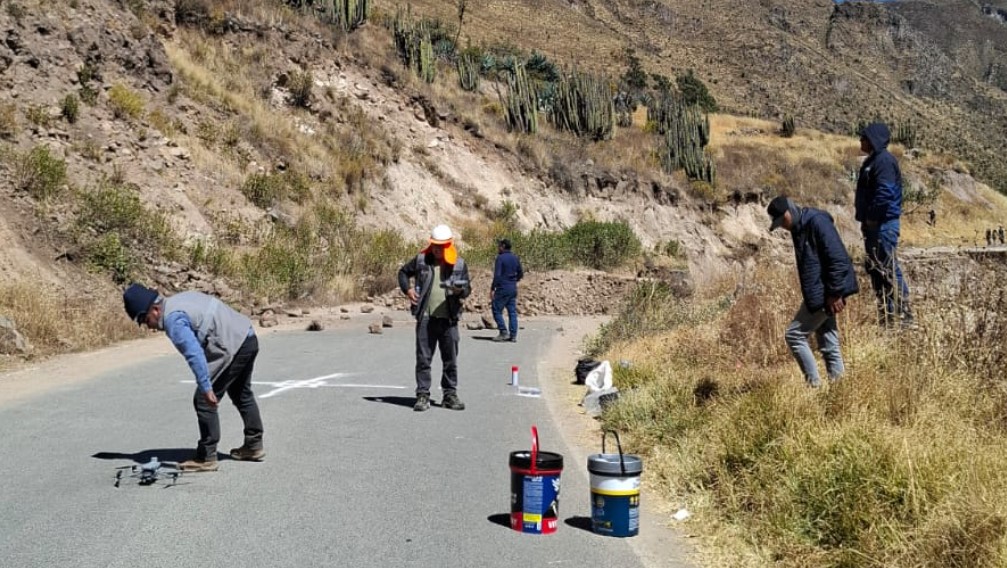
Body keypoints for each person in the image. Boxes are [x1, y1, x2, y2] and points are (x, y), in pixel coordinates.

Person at [122, 284, 265, 471]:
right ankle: (253, 445)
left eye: (144, 319)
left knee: (204, 401)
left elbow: (194, 354)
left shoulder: (173, 320)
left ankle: (207, 457)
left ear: (155, 310)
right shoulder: (179, 300)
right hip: (247, 336)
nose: (147, 326)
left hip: (232, 346)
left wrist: (206, 387)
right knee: (241, 393)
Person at [768, 196, 860, 388]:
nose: (783, 226)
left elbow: (839, 259)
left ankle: (814, 388)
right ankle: (840, 392)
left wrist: (835, 293)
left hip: (826, 294)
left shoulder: (817, 222)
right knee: (828, 343)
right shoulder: (798, 227)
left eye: (782, 221)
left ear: (789, 211)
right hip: (820, 294)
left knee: (794, 335)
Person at [398, 224, 472, 412]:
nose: (437, 249)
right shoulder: (422, 260)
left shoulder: (459, 264)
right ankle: (423, 395)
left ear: (449, 245)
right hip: (426, 318)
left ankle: (449, 395)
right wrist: (407, 290)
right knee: (424, 358)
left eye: (441, 245)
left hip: (449, 319)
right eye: (435, 245)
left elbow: (467, 290)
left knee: (450, 360)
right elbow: (403, 272)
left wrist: (459, 290)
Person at [855, 122, 913, 327]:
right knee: (876, 270)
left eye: (864, 137)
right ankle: (887, 318)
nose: (860, 141)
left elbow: (885, 193)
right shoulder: (873, 161)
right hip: (873, 226)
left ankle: (904, 316)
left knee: (887, 267)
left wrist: (872, 217)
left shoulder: (884, 162)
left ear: (873, 140)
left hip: (883, 225)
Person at [490, 238, 524, 342]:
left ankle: (503, 332)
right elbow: (521, 273)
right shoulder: (515, 258)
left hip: (503, 288)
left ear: (503, 246)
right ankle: (513, 335)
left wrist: (492, 288)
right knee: (512, 312)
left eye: (499, 246)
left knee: (496, 309)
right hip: (513, 288)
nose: (498, 248)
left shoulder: (500, 258)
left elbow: (497, 275)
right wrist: (514, 280)